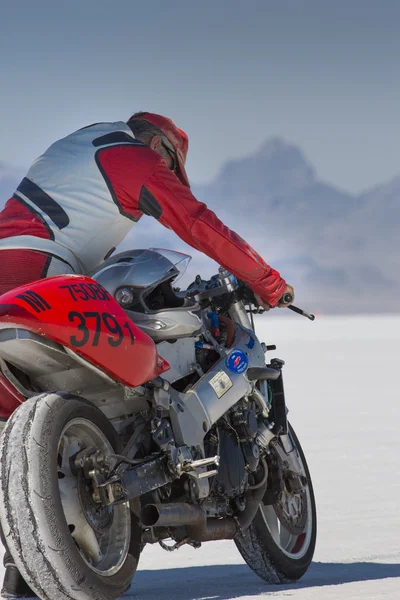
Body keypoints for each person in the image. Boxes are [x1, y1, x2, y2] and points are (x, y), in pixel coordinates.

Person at [0, 111, 294, 597]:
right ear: (160, 146)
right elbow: (197, 223)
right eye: (172, 166)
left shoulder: (74, 149)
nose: (169, 176)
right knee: (136, 381)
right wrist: (268, 282)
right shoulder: (129, 157)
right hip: (37, 277)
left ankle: (22, 570)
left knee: (31, 440)